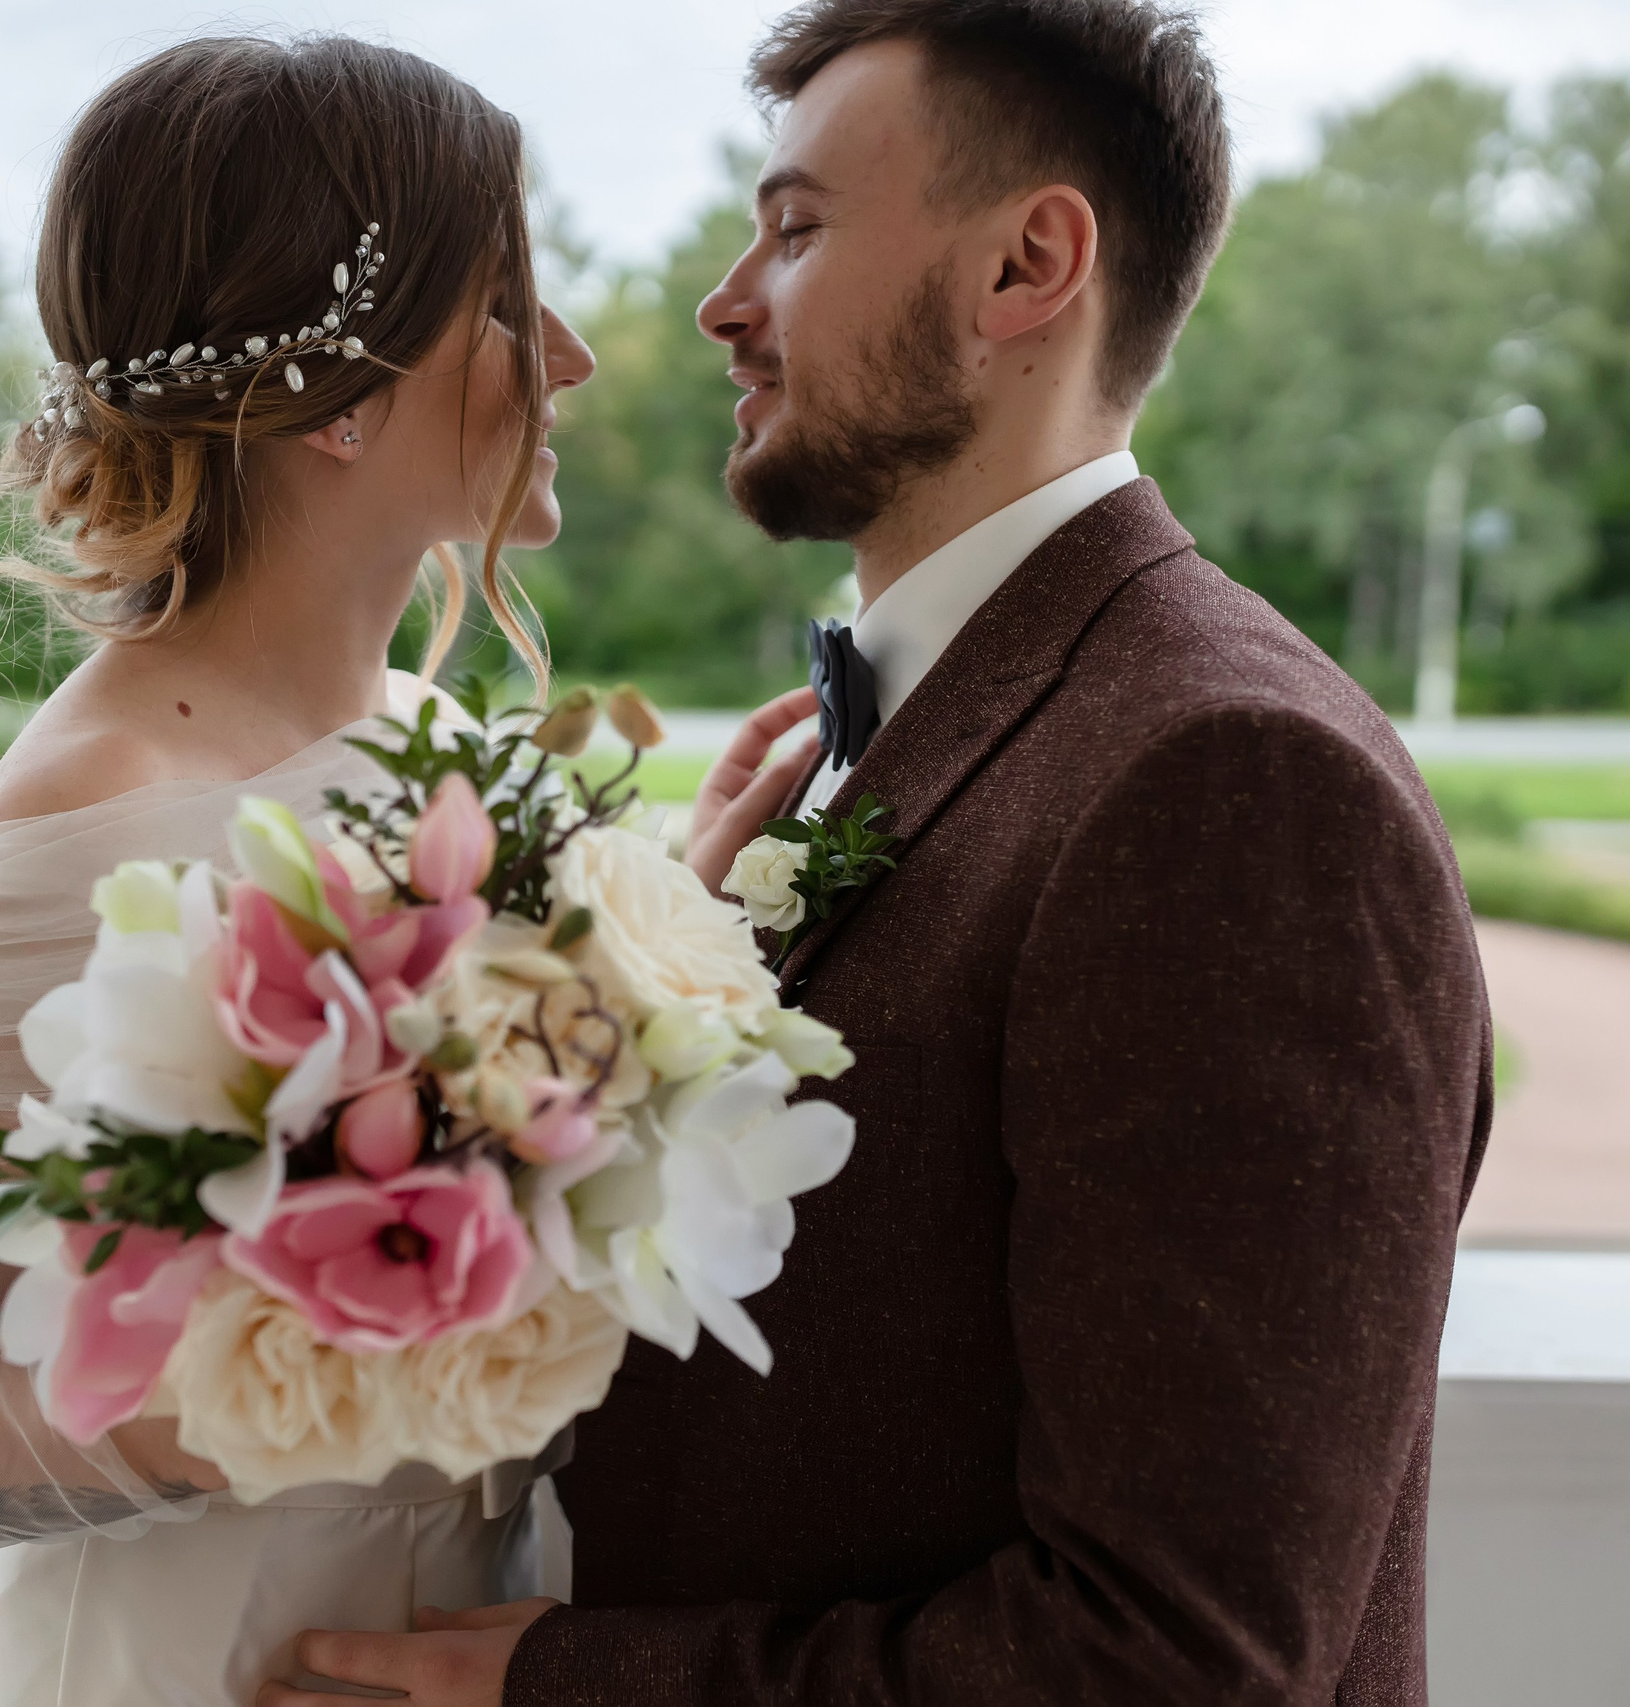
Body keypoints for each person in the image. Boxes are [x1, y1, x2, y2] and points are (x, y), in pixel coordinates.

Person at [274, 2, 1492, 1703]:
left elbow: (1173, 1661)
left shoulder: (1233, 783)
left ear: (1027, 268)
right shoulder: (933, 717)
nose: (719, 304)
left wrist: (559, 1685)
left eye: (795, 228)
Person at [0, 34, 594, 1705]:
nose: (566, 358)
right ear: (341, 401)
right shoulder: (94, 823)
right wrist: (277, 1390)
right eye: (507, 307)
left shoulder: (445, 742)